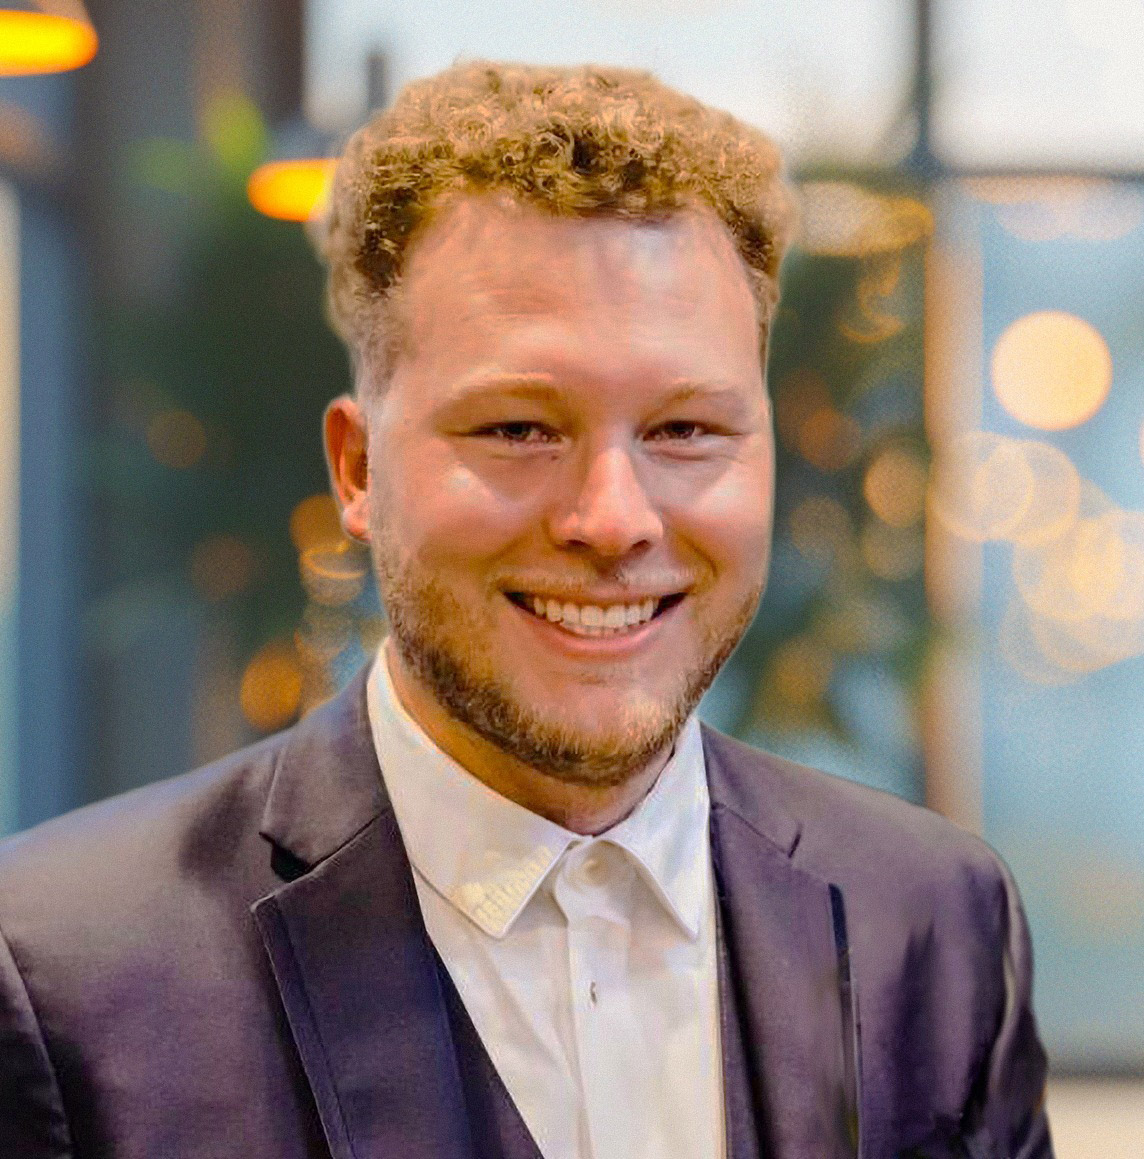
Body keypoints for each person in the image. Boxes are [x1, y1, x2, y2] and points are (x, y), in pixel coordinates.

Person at [0, 62, 1052, 1159]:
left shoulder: (933, 921)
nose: (613, 519)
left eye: (687, 430)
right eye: (517, 429)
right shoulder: (64, 976)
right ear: (358, 470)